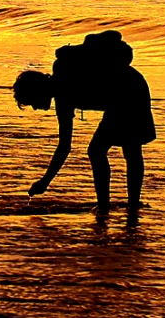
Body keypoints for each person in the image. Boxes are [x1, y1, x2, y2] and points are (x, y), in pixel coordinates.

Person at [12, 31, 156, 214]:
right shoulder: (62, 101)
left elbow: (65, 147)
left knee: (109, 150)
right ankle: (123, 207)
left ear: (37, 89)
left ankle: (112, 206)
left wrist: (45, 181)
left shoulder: (64, 73)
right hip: (121, 96)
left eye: (31, 101)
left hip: (130, 89)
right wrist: (45, 182)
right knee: (121, 149)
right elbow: (64, 146)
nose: (34, 107)